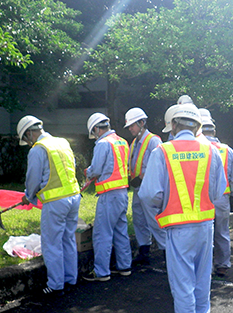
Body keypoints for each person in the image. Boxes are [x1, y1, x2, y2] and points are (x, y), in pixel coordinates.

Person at [139, 104, 227, 313]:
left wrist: (161, 213)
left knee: (182, 282)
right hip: (204, 225)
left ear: (174, 126)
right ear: (197, 126)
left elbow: (148, 195)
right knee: (202, 278)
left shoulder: (163, 151)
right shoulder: (211, 151)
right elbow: (219, 190)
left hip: (178, 227)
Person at [17, 115, 81, 297]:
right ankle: (71, 279)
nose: (28, 143)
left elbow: (34, 179)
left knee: (51, 244)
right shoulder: (62, 142)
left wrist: (28, 196)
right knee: (68, 239)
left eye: (26, 139)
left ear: (29, 133)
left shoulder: (38, 149)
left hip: (55, 202)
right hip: (74, 197)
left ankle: (55, 285)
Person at [83, 113, 132, 281]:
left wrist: (87, 173)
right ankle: (125, 266)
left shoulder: (103, 143)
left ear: (96, 129)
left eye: (94, 132)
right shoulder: (122, 142)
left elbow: (95, 170)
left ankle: (102, 272)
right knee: (121, 231)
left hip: (109, 195)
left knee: (102, 233)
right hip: (122, 193)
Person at [200, 109, 233, 276]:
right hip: (223, 198)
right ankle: (223, 265)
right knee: (222, 232)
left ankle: (206, 267)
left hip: (204, 199)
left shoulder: (200, 150)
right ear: (214, 131)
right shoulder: (227, 150)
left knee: (205, 234)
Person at [124, 107, 166, 265]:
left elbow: (157, 165)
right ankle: (144, 250)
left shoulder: (153, 140)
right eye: (129, 126)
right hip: (138, 188)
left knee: (154, 220)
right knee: (139, 219)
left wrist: (141, 178)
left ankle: (166, 251)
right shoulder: (135, 142)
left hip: (149, 188)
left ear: (142, 123)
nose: (130, 129)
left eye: (133, 125)